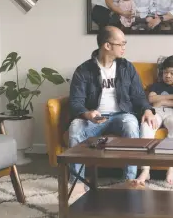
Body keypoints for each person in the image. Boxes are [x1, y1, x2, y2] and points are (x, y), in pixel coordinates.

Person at [67, 26, 158, 195]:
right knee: (75, 128)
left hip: (121, 115)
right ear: (107, 46)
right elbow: (75, 101)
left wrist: (147, 109)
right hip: (94, 118)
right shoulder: (83, 70)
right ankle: (76, 182)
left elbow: (138, 95)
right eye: (121, 43)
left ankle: (129, 179)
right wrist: (87, 114)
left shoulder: (126, 68)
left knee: (131, 124)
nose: (124, 47)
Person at [137, 55, 173, 186]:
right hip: (156, 113)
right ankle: (145, 169)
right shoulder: (157, 85)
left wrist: (161, 100)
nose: (167, 76)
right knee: (146, 126)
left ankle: (171, 170)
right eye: (165, 72)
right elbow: (151, 100)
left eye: (172, 73)